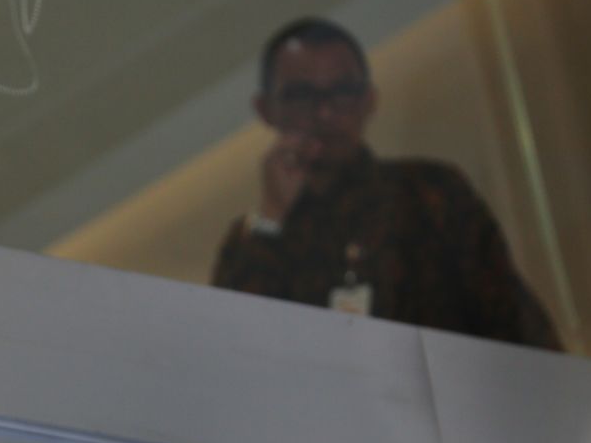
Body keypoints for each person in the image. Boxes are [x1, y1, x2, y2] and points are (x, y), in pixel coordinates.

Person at [211, 18, 560, 349]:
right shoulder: (250, 241)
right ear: (266, 109)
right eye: (301, 95)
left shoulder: (428, 194)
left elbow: (514, 325)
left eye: (343, 91)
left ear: (368, 100)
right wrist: (272, 219)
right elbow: (235, 353)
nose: (325, 113)